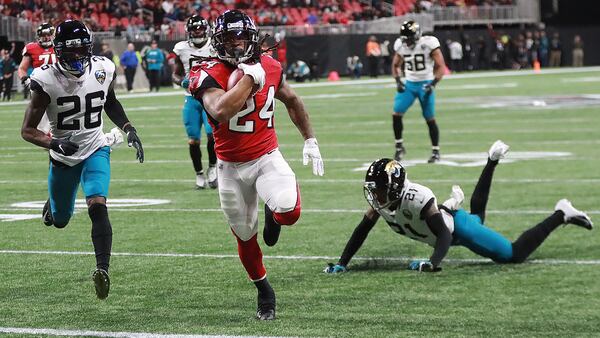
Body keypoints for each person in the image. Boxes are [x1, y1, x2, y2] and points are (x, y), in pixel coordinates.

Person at [189, 10, 324, 320]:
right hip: (230, 167)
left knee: (289, 212)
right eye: (229, 39)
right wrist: (251, 77)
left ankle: (272, 214)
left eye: (241, 39)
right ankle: (264, 291)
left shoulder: (270, 66)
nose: (236, 46)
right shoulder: (204, 71)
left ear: (250, 40)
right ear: (217, 42)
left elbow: (291, 99)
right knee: (245, 235)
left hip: (265, 157)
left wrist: (309, 139)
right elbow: (221, 110)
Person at [324, 141, 593, 274]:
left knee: (512, 254)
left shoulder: (418, 197)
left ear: (394, 187)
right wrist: (342, 264)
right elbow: (362, 230)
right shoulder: (382, 203)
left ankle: (561, 213)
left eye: (379, 189)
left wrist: (433, 263)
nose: (375, 195)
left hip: (456, 230)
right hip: (449, 223)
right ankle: (491, 160)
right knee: (478, 218)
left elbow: (443, 235)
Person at [20, 20, 144, 300]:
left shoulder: (103, 68)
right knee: (60, 220)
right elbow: (27, 130)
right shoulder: (44, 78)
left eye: (81, 50)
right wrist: (53, 142)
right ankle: (52, 206)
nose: (77, 57)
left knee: (97, 204)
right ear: (58, 50)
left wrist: (128, 128)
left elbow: (109, 101)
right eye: (71, 51)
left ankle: (103, 269)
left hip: (96, 147)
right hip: (63, 155)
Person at [172, 15, 218, 189]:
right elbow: (175, 74)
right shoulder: (181, 48)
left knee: (211, 134)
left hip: (210, 96)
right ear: (189, 32)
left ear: (206, 30)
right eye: (194, 29)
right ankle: (199, 173)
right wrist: (181, 81)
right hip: (191, 99)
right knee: (193, 139)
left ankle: (213, 168)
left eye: (200, 28)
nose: (197, 31)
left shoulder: (214, 47)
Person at [391, 21, 446, 163]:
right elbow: (395, 64)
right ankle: (399, 147)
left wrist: (433, 84)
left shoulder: (429, 43)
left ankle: (436, 151)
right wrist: (398, 81)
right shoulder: (401, 45)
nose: (406, 42)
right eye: (405, 38)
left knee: (429, 118)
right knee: (396, 113)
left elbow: (441, 66)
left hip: (425, 83)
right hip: (409, 84)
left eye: (409, 38)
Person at [18, 23, 56, 131]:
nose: (46, 37)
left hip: (59, 85)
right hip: (40, 87)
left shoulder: (59, 46)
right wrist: (25, 80)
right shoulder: (31, 48)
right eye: (43, 34)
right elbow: (22, 68)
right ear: (38, 36)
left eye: (49, 34)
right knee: (41, 128)